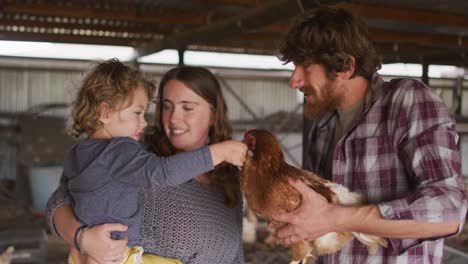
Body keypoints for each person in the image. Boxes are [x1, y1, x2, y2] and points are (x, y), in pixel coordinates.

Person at [272, 6, 467, 263]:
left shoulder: (406, 101)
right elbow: (322, 219)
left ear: (346, 67)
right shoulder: (323, 127)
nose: (294, 80)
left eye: (306, 67)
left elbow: (449, 211)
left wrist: (337, 217)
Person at [46, 65, 246, 264]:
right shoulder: (133, 151)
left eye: (187, 108)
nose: (174, 118)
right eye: (167, 106)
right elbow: (62, 200)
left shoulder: (229, 176)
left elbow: (236, 254)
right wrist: (83, 238)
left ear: (213, 114)